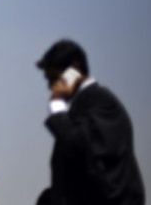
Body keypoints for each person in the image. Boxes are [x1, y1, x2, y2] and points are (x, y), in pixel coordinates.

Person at [35, 39, 144, 205]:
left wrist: (56, 105)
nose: (51, 86)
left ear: (74, 70)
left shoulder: (102, 104)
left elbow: (78, 146)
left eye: (53, 78)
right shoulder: (82, 108)